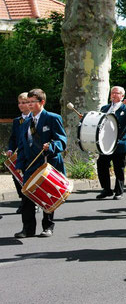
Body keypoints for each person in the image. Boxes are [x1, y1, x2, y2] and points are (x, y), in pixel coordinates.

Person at [14, 89, 67, 238]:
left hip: (47, 164)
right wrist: (19, 165)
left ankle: (48, 226)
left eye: (32, 102)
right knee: (26, 197)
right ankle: (27, 229)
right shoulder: (25, 122)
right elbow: (22, 145)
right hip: (30, 165)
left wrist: (51, 147)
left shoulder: (52, 118)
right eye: (28, 102)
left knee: (47, 196)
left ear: (41, 102)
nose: (29, 105)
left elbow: (62, 141)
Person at [96, 86, 126, 200]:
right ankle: (106, 189)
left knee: (119, 167)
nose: (113, 95)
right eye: (112, 93)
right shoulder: (105, 108)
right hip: (106, 143)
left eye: (116, 93)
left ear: (122, 96)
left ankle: (119, 191)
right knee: (101, 163)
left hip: (120, 142)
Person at [6, 92, 30, 214]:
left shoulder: (34, 118)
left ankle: (32, 202)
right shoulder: (17, 121)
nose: (21, 105)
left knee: (29, 178)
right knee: (17, 176)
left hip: (31, 154)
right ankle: (23, 200)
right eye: (19, 103)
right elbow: (13, 138)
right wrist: (10, 149)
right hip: (20, 154)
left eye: (24, 103)